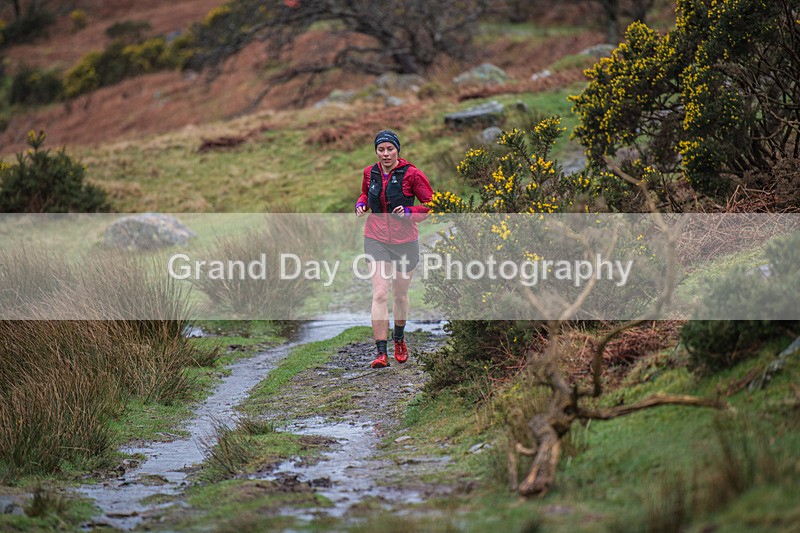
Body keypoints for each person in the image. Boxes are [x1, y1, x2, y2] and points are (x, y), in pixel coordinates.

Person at [355, 130, 433, 368]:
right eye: (381, 149)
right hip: (375, 238)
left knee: (399, 295)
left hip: (405, 241)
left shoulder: (412, 174)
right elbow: (365, 194)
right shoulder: (370, 173)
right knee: (380, 293)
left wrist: (410, 212)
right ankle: (381, 353)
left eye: (390, 149)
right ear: (376, 151)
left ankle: (399, 338)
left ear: (397, 150)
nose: (385, 154)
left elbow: (431, 204)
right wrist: (361, 204)